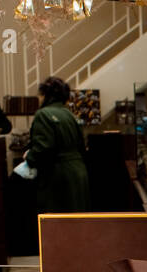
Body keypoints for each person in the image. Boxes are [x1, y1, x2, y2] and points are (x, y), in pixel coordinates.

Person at [14, 75, 90, 213]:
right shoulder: (70, 115)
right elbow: (82, 146)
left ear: (45, 95)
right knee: (78, 224)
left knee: (57, 227)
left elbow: (43, 149)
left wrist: (29, 156)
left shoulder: (43, 114)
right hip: (78, 174)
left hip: (58, 178)